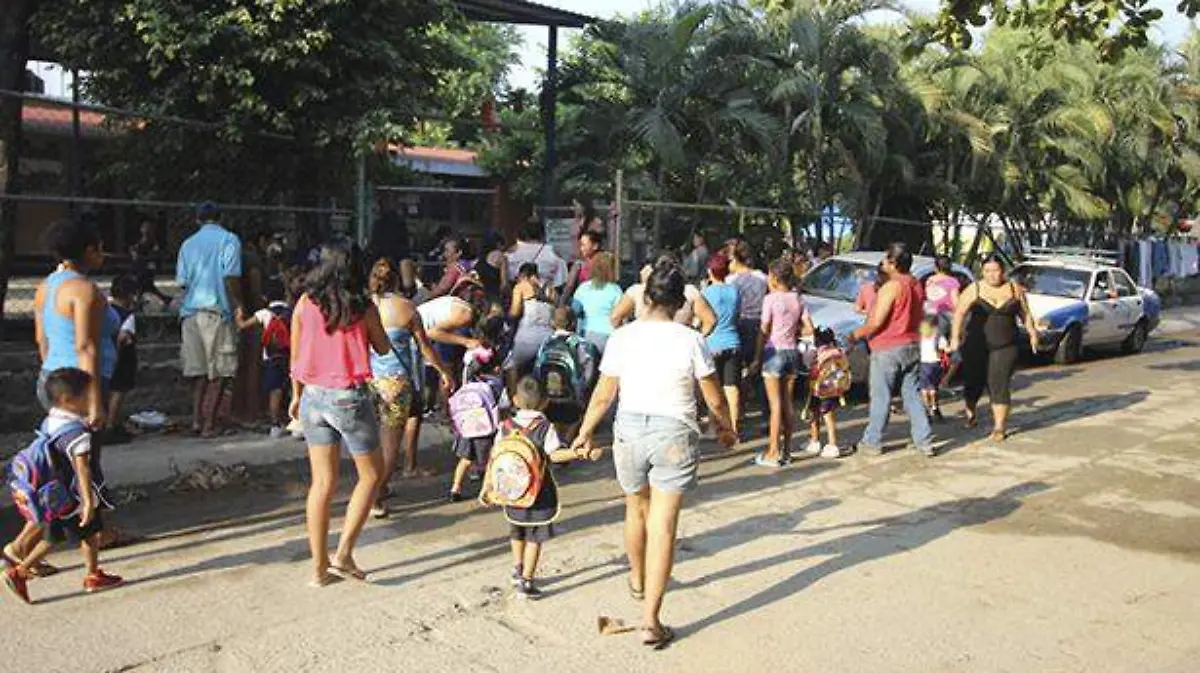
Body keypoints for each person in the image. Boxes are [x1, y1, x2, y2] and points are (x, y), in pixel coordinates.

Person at [572, 261, 737, 650]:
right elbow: (713, 396)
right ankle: (650, 621)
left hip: (629, 428)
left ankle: (636, 579)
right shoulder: (691, 339)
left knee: (635, 509)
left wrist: (583, 432)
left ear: (645, 297)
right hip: (674, 431)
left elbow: (603, 394)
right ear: (681, 302)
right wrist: (726, 427)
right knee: (663, 525)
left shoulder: (623, 337)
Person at [289, 239, 395, 587]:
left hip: (312, 397)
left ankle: (319, 570)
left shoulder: (305, 303)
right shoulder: (361, 307)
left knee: (322, 483)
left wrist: (295, 396)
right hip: (347, 397)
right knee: (371, 475)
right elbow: (382, 347)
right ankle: (344, 553)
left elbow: (295, 355)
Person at [3, 368, 124, 604]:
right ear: (69, 400)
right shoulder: (78, 434)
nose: (93, 401)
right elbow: (83, 468)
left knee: (63, 536)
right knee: (77, 535)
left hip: (55, 494)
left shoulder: (51, 421)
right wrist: (88, 501)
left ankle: (90, 574)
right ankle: (23, 572)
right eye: (88, 397)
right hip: (74, 498)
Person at [501, 376, 602, 599]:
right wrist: (578, 453)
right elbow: (554, 455)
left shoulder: (505, 426)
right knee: (535, 536)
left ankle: (517, 569)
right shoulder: (544, 427)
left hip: (512, 490)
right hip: (538, 491)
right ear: (545, 402)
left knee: (517, 531)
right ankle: (527, 581)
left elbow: (496, 454)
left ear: (515, 399)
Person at [368, 258, 452, 515]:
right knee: (391, 443)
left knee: (372, 442)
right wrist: (444, 371)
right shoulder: (406, 308)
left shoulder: (364, 307)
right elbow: (425, 348)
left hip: (369, 381)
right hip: (397, 383)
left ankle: (377, 489)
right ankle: (375, 497)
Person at [849, 243, 936, 457]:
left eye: (887, 259)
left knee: (881, 395)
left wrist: (854, 335)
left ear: (894, 263)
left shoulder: (892, 286)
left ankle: (872, 441)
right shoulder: (916, 284)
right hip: (912, 345)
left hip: (888, 347)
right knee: (912, 394)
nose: (884, 263)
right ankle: (923, 440)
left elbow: (877, 322)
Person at [949, 255, 1039, 442]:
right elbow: (959, 313)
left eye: (995, 270)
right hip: (976, 344)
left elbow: (1025, 314)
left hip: (1005, 346)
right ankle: (971, 410)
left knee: (999, 383)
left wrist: (1032, 333)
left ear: (1003, 271)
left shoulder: (1015, 289)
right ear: (982, 272)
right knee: (974, 380)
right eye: (987, 271)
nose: (992, 275)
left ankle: (999, 427)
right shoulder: (975, 289)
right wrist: (955, 338)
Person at [176, 202, 244, 438]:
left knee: (199, 372)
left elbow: (182, 281)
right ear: (220, 217)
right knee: (220, 372)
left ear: (198, 220)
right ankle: (209, 424)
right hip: (217, 312)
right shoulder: (229, 240)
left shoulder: (188, 244)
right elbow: (231, 276)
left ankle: (197, 420)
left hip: (191, 312)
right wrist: (238, 304)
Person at [750, 260, 815, 467]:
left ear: (775, 279)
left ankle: (773, 451)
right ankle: (787, 449)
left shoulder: (770, 299)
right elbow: (809, 329)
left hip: (773, 352)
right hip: (792, 353)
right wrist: (793, 331)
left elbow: (764, 329)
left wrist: (756, 358)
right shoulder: (798, 299)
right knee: (788, 404)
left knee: (775, 405)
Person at [448, 318, 507, 502]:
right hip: (485, 428)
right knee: (489, 459)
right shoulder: (494, 384)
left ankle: (455, 488)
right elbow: (501, 406)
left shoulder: (468, 369)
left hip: (466, 427)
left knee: (465, 459)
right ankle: (487, 490)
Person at [234, 281, 296, 438]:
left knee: (275, 390)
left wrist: (239, 310)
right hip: (292, 356)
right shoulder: (293, 311)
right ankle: (296, 422)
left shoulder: (264, 313)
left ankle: (275, 425)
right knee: (293, 389)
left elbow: (242, 325)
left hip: (272, 357)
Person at [535, 306, 600, 445]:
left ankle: (556, 440)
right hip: (572, 401)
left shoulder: (545, 343)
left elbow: (538, 369)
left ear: (553, 323)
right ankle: (566, 442)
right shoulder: (582, 345)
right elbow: (588, 377)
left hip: (548, 400)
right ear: (574, 323)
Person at [610, 254, 716, 335]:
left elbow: (615, 318)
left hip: (643, 345)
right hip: (678, 346)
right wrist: (695, 336)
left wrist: (630, 336)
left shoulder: (637, 290)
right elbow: (710, 320)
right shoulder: (689, 291)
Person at [701, 252, 742, 434]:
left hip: (712, 343)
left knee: (713, 388)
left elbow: (703, 318)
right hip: (733, 341)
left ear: (710, 271)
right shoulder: (734, 291)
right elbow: (737, 315)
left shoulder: (707, 293)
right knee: (731, 387)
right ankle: (733, 427)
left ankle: (712, 427)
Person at [726, 240, 769, 413]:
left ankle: (738, 410)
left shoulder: (731, 281)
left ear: (735, 259)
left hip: (738, 323)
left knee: (735, 371)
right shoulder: (762, 277)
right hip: (758, 324)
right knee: (757, 369)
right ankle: (767, 412)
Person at [800, 327, 847, 459]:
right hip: (833, 389)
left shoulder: (816, 354)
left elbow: (808, 368)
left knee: (814, 414)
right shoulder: (838, 353)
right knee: (828, 416)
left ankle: (816, 442)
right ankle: (831, 443)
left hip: (816, 389)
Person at [506, 262, 556, 383]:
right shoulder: (550, 288)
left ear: (523, 275)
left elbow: (514, 313)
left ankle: (513, 398)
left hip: (527, 338)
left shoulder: (521, 287)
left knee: (510, 368)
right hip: (549, 339)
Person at [105, 274, 141, 442]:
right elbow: (124, 337)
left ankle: (109, 422)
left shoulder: (106, 311)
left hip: (104, 358)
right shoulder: (128, 316)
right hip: (122, 360)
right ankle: (110, 425)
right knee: (118, 391)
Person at [570, 251, 622, 354]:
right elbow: (619, 315)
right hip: (609, 336)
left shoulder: (583, 288)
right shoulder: (615, 290)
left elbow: (574, 310)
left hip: (587, 335)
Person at [507, 217, 568, 292]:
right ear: (542, 232)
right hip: (544, 296)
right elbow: (561, 280)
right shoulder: (553, 252)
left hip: (516, 294)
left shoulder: (511, 252)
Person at [128, 220, 172, 308]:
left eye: (147, 228)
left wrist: (141, 257)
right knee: (147, 286)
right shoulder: (141, 240)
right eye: (144, 228)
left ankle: (139, 302)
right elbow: (136, 250)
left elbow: (154, 254)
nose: (145, 230)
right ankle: (164, 299)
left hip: (146, 267)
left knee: (141, 285)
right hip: (140, 266)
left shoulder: (152, 241)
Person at [919, 315, 950, 423]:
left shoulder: (919, 337)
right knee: (933, 388)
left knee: (923, 388)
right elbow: (946, 349)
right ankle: (934, 407)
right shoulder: (938, 336)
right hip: (935, 363)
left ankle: (927, 410)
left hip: (922, 363)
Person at [562, 229, 604, 302]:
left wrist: (561, 303)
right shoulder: (580, 265)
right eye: (580, 245)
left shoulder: (580, 265)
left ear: (595, 246)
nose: (581, 248)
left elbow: (569, 287)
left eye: (584, 245)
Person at [925, 255, 960, 335]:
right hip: (945, 315)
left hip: (930, 314)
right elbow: (955, 301)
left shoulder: (929, 280)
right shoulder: (952, 281)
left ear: (936, 267)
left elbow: (929, 297)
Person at [475, 230, 509, 304]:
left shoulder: (479, 259)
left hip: (479, 298)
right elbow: (504, 285)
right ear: (498, 244)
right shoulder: (501, 257)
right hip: (494, 297)